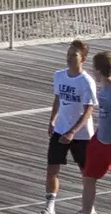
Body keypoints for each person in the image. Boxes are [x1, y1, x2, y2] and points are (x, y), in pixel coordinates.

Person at [41, 41, 97, 214]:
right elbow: (58, 99)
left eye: (74, 55)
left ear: (83, 59)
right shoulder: (59, 76)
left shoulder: (86, 82)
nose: (69, 58)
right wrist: (53, 120)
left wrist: (73, 131)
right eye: (68, 54)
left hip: (81, 135)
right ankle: (49, 207)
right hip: (60, 130)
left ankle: (89, 208)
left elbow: (89, 109)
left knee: (86, 174)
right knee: (52, 168)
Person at [77, 50, 111, 214]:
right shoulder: (102, 90)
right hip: (101, 140)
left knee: (90, 179)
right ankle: (86, 211)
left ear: (99, 70)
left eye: (94, 68)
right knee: (89, 178)